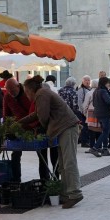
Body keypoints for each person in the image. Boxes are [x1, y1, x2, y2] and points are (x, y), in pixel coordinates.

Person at [19, 76, 83, 209]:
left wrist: (40, 130)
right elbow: (36, 114)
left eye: (26, 92)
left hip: (67, 128)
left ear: (31, 90)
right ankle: (65, 194)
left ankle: (75, 194)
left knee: (69, 162)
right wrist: (20, 122)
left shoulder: (41, 94)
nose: (26, 95)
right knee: (63, 165)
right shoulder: (42, 94)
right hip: (63, 129)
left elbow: (43, 117)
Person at [3, 78, 33, 183]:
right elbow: (6, 115)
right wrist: (7, 130)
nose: (11, 93)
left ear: (18, 86)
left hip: (32, 127)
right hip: (17, 129)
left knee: (41, 154)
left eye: (12, 90)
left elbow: (34, 111)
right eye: (8, 90)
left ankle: (45, 179)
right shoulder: (7, 96)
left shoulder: (27, 94)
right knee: (15, 154)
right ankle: (16, 180)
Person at [91, 77, 110, 157]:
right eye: (108, 83)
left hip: (98, 113)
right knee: (105, 132)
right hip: (104, 113)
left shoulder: (96, 91)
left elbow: (93, 103)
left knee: (104, 130)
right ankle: (94, 148)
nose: (108, 84)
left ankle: (105, 149)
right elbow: (109, 102)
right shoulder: (103, 91)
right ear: (105, 83)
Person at [77, 75, 93, 147]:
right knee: (84, 127)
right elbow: (79, 101)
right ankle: (84, 142)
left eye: (88, 80)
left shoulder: (89, 89)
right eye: (86, 80)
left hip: (88, 112)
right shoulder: (81, 90)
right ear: (82, 81)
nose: (87, 82)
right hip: (83, 112)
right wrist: (83, 111)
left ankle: (85, 140)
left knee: (87, 127)